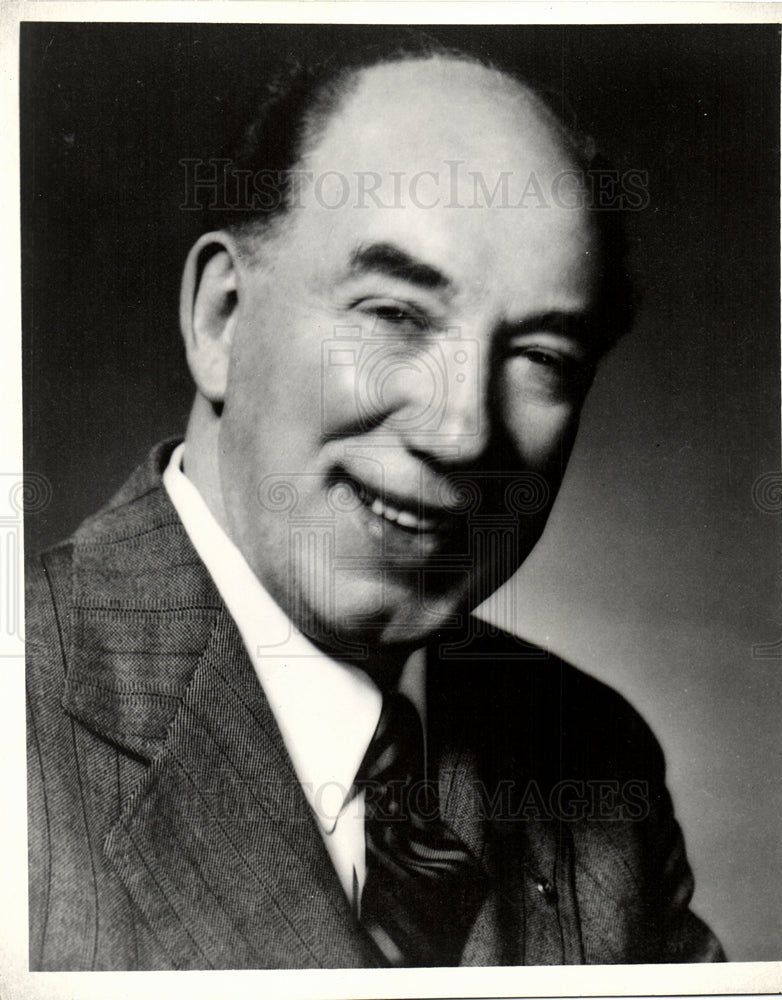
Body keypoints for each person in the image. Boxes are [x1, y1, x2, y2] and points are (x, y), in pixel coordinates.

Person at [26, 41, 725, 970]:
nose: (463, 431)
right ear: (221, 319)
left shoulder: (592, 756)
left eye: (545, 359)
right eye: (393, 315)